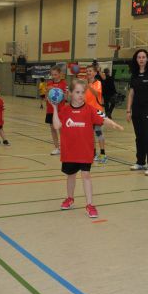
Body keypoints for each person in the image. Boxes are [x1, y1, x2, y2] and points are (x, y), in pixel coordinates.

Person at [51, 79, 123, 218]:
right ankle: (70, 198)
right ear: (70, 93)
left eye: (83, 92)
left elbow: (102, 118)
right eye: (77, 92)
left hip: (85, 151)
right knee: (70, 176)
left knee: (86, 175)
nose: (80, 95)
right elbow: (56, 126)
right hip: (70, 152)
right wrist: (54, 107)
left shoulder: (89, 109)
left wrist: (113, 124)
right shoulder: (65, 110)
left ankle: (90, 205)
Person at [84, 65, 107, 163]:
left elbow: (97, 94)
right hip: (87, 112)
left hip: (97, 112)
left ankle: (103, 154)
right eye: (87, 71)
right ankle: (93, 153)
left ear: (95, 73)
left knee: (98, 132)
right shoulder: (84, 84)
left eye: (90, 71)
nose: (88, 73)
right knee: (89, 134)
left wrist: (88, 85)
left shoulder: (98, 83)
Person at [45, 66, 68, 155]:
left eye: (56, 74)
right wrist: (48, 91)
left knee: (61, 129)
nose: (54, 76)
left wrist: (63, 93)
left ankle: (64, 147)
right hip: (50, 110)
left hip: (60, 110)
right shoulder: (49, 83)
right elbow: (46, 98)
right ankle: (57, 148)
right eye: (52, 74)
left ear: (60, 74)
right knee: (53, 128)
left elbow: (66, 98)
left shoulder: (64, 84)